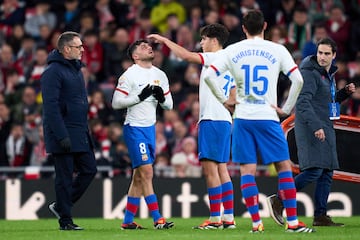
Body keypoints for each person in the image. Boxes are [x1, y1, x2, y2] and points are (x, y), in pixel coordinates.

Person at [203, 10, 315, 233]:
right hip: (268, 117)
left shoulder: (233, 50)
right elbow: (298, 79)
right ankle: (292, 222)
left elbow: (208, 76)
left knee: (247, 170)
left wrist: (225, 101)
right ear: (265, 26)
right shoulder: (277, 49)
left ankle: (256, 223)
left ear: (243, 28)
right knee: (283, 167)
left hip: (243, 118)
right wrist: (285, 108)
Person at [147, 23, 237, 230]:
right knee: (222, 169)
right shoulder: (230, 61)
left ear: (214, 40)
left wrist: (165, 40)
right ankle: (228, 218)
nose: (201, 43)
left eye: (204, 39)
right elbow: (233, 91)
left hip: (212, 119)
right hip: (224, 119)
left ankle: (215, 219)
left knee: (210, 170)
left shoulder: (215, 57)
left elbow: (187, 56)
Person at [267, 37, 356, 227]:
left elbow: (326, 103)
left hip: (325, 126)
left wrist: (343, 94)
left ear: (334, 55)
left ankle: (320, 216)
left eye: (326, 54)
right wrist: (316, 126)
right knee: (314, 170)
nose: (322, 57)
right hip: (311, 127)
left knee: (327, 172)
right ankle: (279, 199)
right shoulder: (309, 73)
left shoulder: (327, 75)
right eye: (320, 53)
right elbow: (303, 103)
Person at [111, 39, 174, 230]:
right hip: (134, 128)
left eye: (149, 45)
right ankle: (158, 219)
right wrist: (139, 97)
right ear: (135, 56)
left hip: (150, 128)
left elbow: (169, 105)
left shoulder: (160, 74)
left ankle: (127, 221)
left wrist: (161, 97)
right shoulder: (129, 75)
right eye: (143, 46)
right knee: (147, 171)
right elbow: (116, 102)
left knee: (138, 177)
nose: (148, 47)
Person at [40, 31, 97, 230]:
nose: (82, 50)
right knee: (64, 178)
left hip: (79, 131)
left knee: (90, 169)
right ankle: (65, 221)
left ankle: (61, 206)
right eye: (78, 47)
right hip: (63, 133)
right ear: (66, 49)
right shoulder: (52, 72)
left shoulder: (76, 70)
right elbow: (51, 106)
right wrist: (61, 134)